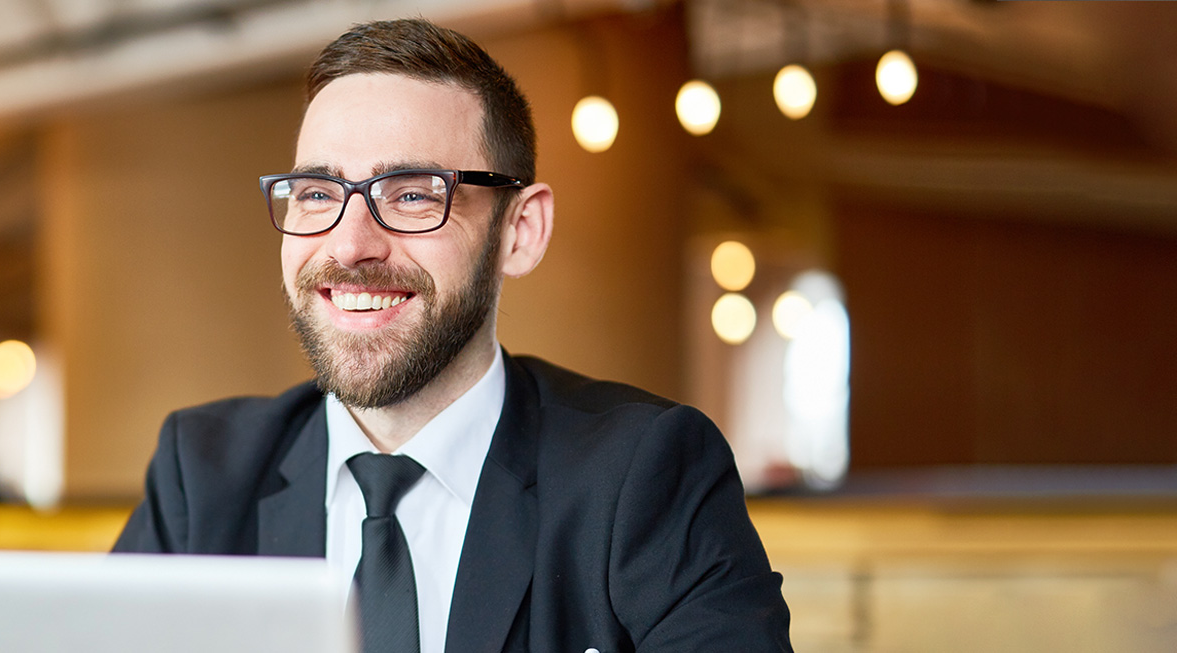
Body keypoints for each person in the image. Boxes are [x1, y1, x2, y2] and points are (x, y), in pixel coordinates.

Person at [112, 18, 792, 653]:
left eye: (411, 194)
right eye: (317, 194)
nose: (350, 244)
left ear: (519, 232)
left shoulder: (646, 474)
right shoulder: (199, 478)